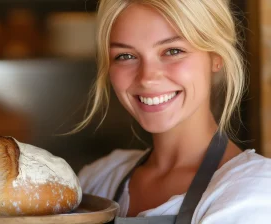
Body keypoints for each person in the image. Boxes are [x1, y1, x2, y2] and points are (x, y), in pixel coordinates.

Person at [75, 0, 271, 223]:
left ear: (216, 57)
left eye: (173, 51)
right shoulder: (99, 179)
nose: (147, 78)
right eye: (126, 56)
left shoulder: (253, 191)